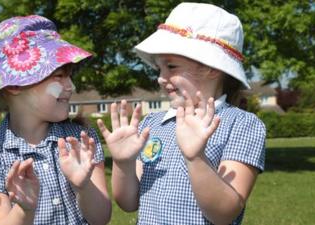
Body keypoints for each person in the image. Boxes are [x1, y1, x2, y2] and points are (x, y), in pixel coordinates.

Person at [97, 3, 265, 225]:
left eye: (171, 67)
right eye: (159, 68)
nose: (160, 77)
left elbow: (224, 214)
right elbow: (129, 203)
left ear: (211, 67)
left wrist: (196, 158)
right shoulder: (152, 124)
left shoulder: (242, 124)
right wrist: (123, 163)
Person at [0, 15, 111, 225]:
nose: (71, 86)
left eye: (69, 75)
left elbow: (101, 219)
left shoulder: (81, 140)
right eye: (59, 76)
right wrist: (25, 209)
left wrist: (83, 186)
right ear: (14, 85)